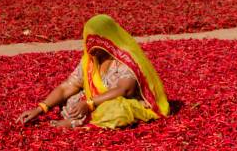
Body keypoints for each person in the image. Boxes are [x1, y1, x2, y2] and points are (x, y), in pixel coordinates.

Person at [17, 14, 169, 129]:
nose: (90, 48)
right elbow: (67, 86)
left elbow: (124, 90)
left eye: (96, 43)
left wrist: (89, 104)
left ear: (108, 40)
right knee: (70, 98)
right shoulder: (91, 59)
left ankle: (78, 122)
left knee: (116, 109)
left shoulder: (126, 59)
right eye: (88, 41)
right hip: (96, 100)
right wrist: (40, 109)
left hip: (124, 100)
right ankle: (82, 117)